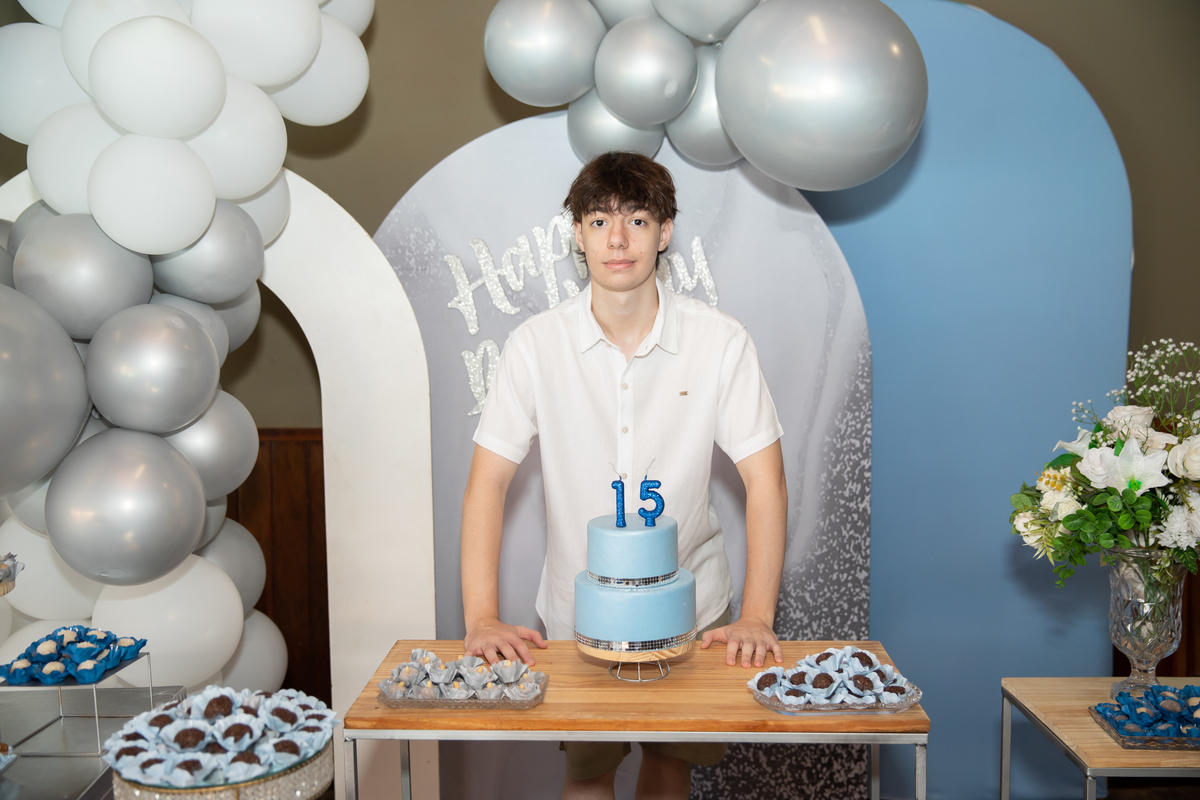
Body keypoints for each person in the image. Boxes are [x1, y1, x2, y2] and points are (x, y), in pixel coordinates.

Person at [461, 151, 788, 800]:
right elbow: (487, 483)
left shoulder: (720, 341)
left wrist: (757, 615)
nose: (618, 240)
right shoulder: (535, 344)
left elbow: (766, 482)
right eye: (599, 221)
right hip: (579, 616)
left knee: (671, 767)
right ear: (577, 235)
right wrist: (481, 617)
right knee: (587, 772)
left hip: (694, 610)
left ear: (665, 232)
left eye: (637, 220)